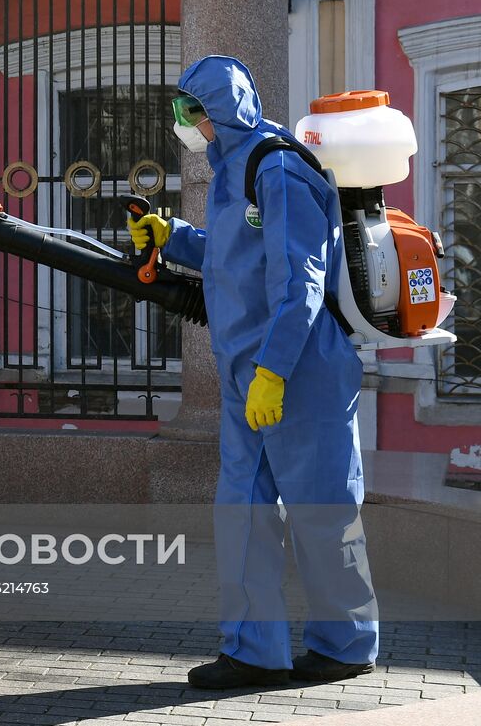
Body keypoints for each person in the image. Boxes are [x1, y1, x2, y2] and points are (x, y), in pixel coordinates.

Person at [128, 55, 379, 689]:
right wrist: (172, 236)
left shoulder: (278, 168)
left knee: (323, 510)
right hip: (251, 376)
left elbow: (300, 282)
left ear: (217, 112)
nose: (184, 123)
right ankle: (253, 653)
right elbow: (235, 255)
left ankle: (346, 645)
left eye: (191, 110)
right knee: (243, 511)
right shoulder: (231, 171)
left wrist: (274, 371)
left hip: (301, 373)